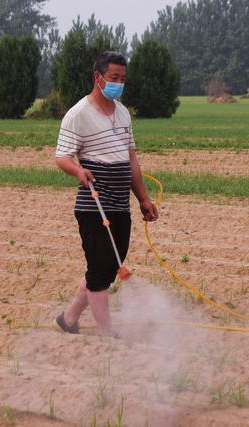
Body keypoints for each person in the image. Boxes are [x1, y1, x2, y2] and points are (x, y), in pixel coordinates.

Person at [53, 51, 159, 337]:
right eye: (114, 78)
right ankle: (108, 333)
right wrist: (78, 172)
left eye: (123, 79)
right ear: (98, 78)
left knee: (106, 268)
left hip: (120, 206)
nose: (118, 84)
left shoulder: (122, 112)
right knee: (100, 271)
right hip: (93, 207)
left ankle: (69, 318)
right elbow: (62, 157)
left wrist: (143, 199)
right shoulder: (78, 114)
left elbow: (131, 160)